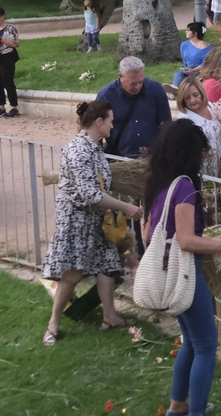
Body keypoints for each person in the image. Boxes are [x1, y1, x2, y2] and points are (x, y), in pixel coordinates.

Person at [143, 119, 221, 416]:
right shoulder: (184, 186)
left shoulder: (160, 184)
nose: (207, 157)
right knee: (207, 346)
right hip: (186, 275)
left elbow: (150, 232)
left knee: (191, 342)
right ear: (190, 152)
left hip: (171, 274)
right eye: (203, 151)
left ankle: (178, 406)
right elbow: (187, 240)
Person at [40, 100, 144, 346]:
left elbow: (100, 186)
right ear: (99, 122)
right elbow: (91, 195)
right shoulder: (78, 151)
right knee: (74, 273)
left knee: (107, 264)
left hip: (96, 219)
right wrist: (126, 207)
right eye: (110, 121)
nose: (112, 125)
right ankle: (53, 325)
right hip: (77, 221)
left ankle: (110, 317)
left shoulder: (95, 147)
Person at [96, 58, 172, 158]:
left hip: (153, 157)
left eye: (140, 82)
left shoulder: (156, 90)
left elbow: (166, 124)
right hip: (120, 157)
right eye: (133, 83)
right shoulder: (106, 96)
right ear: (121, 77)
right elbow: (97, 131)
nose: (137, 87)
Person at [176, 75, 221, 178]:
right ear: (182, 100)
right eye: (187, 98)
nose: (192, 100)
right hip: (200, 173)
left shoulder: (211, 107)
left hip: (220, 169)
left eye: (195, 95)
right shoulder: (183, 119)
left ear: (201, 93)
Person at [174, 21, 212, 87]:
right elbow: (185, 60)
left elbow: (206, 63)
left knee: (190, 80)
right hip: (188, 69)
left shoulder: (206, 47)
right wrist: (187, 69)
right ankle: (174, 88)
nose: (186, 32)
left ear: (195, 33)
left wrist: (193, 70)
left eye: (188, 30)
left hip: (200, 71)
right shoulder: (184, 45)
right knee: (178, 75)